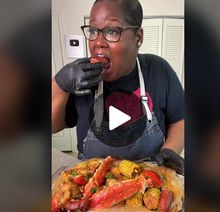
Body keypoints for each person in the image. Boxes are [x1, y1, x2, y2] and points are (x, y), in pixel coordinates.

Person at [52, 0, 184, 174]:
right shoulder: (79, 76)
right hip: (90, 186)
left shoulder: (158, 70)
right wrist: (60, 84)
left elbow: (180, 119)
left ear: (138, 37)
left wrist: (170, 150)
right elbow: (54, 126)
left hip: (149, 183)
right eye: (93, 31)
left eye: (112, 31)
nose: (98, 43)